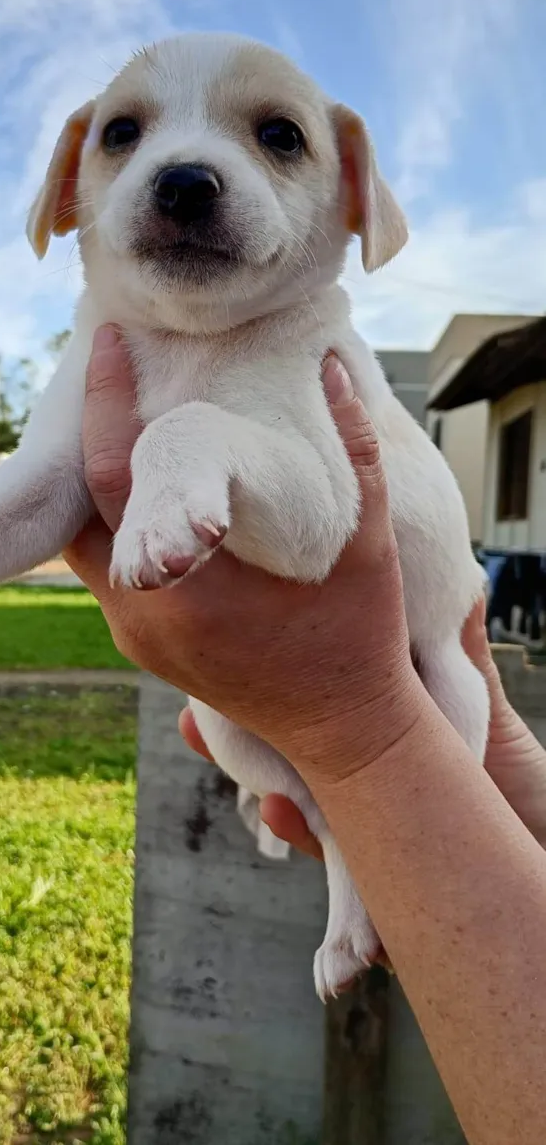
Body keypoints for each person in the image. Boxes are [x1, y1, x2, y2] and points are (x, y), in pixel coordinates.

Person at [65, 324, 546, 1145]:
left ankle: (350, 880)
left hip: (421, 625)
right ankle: (348, 873)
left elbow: (317, 509)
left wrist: (358, 731)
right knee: (231, 737)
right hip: (393, 652)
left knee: (443, 694)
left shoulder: (312, 334)